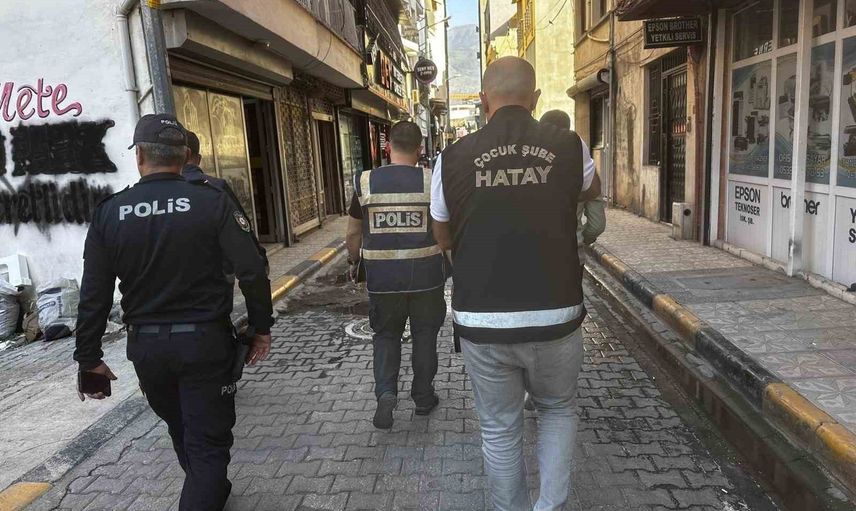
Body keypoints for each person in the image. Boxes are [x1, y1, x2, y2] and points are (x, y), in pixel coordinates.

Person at [74, 114, 274, 511]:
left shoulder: (110, 212)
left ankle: (210, 489)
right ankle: (206, 488)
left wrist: (89, 358)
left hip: (148, 351)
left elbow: (94, 293)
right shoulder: (210, 201)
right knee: (207, 444)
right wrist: (260, 328)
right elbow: (252, 270)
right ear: (184, 156)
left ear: (140, 155)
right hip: (205, 345)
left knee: (183, 429)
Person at [430, 57, 597, 510]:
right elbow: (591, 190)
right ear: (535, 98)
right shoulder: (570, 146)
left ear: (484, 101)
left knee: (499, 427)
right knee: (557, 410)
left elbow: (442, 233)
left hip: (482, 318)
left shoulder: (450, 158)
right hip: (556, 313)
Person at [345, 121, 447, 430]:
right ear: (420, 149)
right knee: (425, 336)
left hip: (383, 280)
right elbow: (445, 229)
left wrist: (353, 262)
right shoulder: (432, 180)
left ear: (388, 147)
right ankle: (423, 397)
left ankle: (386, 393)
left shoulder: (365, 181)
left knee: (386, 336)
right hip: (426, 279)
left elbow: (353, 233)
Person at [182, 131, 268, 274]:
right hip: (215, 277)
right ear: (198, 159)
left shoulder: (151, 195)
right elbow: (242, 234)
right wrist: (261, 261)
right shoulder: (215, 188)